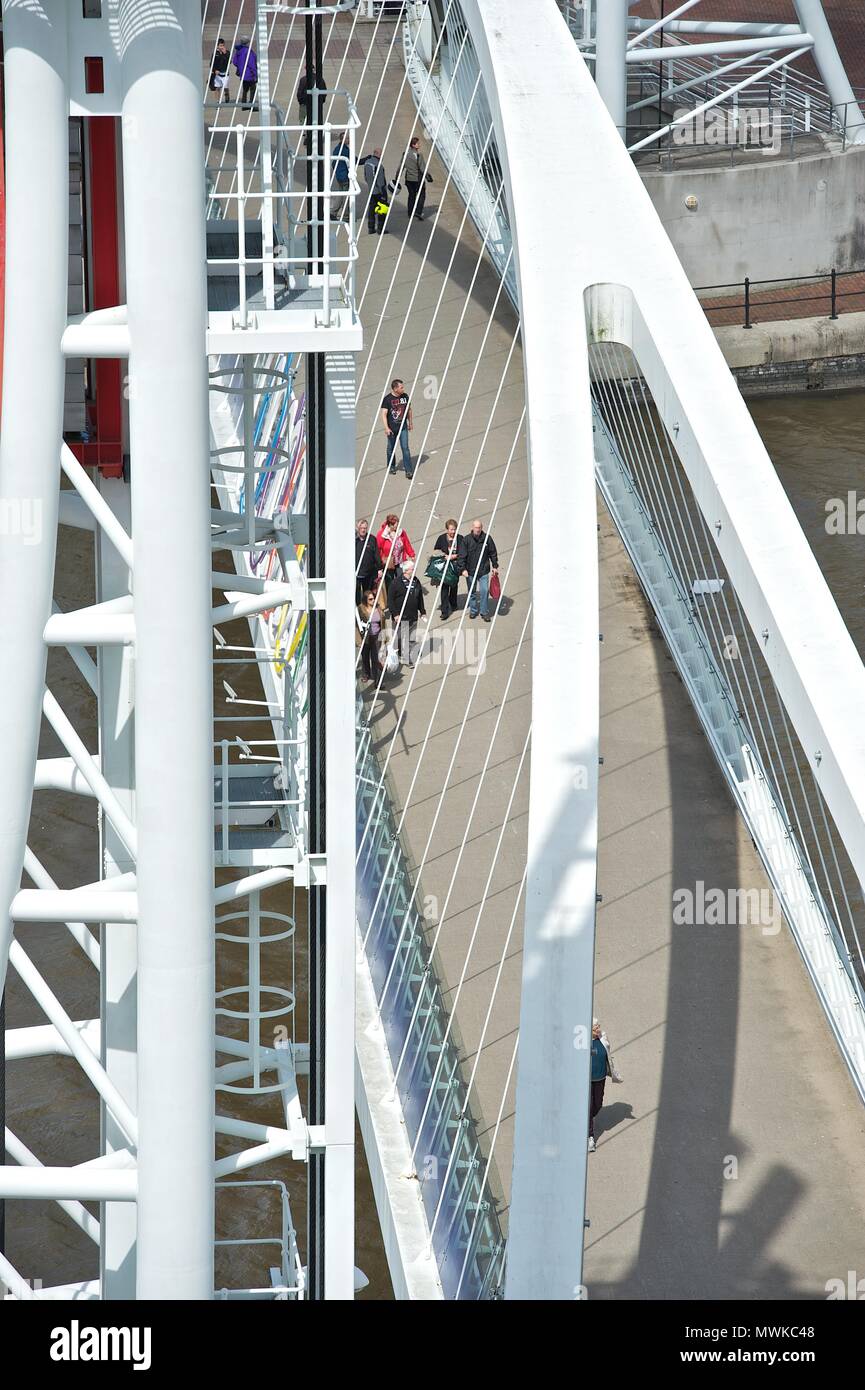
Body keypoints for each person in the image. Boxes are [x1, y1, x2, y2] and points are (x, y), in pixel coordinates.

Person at [588, 1018, 622, 1153]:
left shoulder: (603, 1037)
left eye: (598, 1027)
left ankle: (588, 1118)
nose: (598, 1029)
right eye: (595, 1028)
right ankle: (590, 1136)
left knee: (598, 1104)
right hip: (587, 1080)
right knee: (589, 1107)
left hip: (601, 1078)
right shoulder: (584, 1043)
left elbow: (608, 1051)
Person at [389, 561, 425, 667]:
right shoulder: (395, 583)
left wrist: (422, 611)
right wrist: (395, 614)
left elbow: (420, 597)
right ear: (406, 571)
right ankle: (401, 652)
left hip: (413, 615)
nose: (414, 571)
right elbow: (390, 601)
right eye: (412, 569)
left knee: (411, 638)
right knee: (401, 638)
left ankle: (408, 658)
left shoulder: (416, 581)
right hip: (401, 617)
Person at [462, 518, 499, 622]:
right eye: (476, 527)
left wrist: (495, 566)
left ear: (481, 528)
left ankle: (484, 612)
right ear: (472, 528)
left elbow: (493, 553)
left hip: (483, 570)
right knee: (472, 592)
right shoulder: (466, 540)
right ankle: (473, 611)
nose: (477, 529)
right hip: (470, 571)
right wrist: (463, 569)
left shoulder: (487, 539)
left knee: (484, 591)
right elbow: (462, 556)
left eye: (479, 527)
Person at [377, 513, 415, 606]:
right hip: (388, 563)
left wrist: (412, 554)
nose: (397, 526)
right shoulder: (382, 535)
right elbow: (377, 549)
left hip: (400, 561)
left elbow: (406, 543)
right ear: (390, 525)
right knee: (390, 583)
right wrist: (378, 565)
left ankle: (401, 600)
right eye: (396, 524)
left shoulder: (401, 532)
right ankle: (391, 602)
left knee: (401, 580)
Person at [381, 377, 413, 478]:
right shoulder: (387, 399)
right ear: (395, 389)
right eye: (401, 388)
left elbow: (409, 410)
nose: (403, 389)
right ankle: (391, 467)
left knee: (405, 448)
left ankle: (408, 470)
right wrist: (386, 428)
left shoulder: (405, 397)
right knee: (390, 448)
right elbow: (384, 414)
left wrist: (410, 423)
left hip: (402, 427)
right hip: (391, 428)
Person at [434, 519, 465, 620]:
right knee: (444, 588)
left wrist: (453, 556)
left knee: (454, 585)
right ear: (447, 529)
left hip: (455, 565)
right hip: (444, 566)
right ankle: (444, 611)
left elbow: (464, 553)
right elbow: (436, 551)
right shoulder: (441, 538)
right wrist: (444, 556)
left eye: (454, 529)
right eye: (451, 530)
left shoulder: (460, 538)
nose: (453, 532)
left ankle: (453, 603)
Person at [356, 591, 383, 682]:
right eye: (370, 599)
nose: (373, 600)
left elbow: (383, 622)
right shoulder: (361, 609)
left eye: (374, 598)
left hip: (377, 636)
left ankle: (377, 680)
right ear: (366, 600)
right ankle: (366, 674)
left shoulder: (378, 608)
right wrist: (359, 640)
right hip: (366, 637)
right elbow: (357, 625)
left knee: (375, 658)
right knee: (365, 657)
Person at [404, 135, 432, 221]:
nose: (419, 144)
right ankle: (418, 212)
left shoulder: (406, 154)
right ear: (413, 145)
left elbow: (401, 166)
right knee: (421, 195)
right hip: (417, 179)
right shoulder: (419, 155)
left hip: (408, 179)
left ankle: (410, 212)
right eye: (417, 143)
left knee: (411, 195)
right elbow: (422, 168)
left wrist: (397, 177)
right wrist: (428, 177)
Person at [363, 149, 389, 235]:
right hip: (378, 191)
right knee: (382, 210)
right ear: (378, 154)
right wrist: (384, 194)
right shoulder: (379, 166)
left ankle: (371, 228)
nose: (382, 156)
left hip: (371, 190)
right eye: (382, 154)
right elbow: (381, 182)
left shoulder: (367, 162)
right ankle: (380, 229)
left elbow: (366, 177)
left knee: (371, 209)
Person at [355, 518, 380, 606]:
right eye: (361, 528)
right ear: (358, 528)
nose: (363, 530)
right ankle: (358, 611)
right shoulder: (354, 540)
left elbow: (376, 554)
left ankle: (367, 610)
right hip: (356, 574)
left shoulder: (372, 539)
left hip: (369, 573)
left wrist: (379, 569)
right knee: (356, 595)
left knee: (368, 594)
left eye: (365, 528)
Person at [233, 40, 258, 106]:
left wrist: (240, 66)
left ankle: (244, 104)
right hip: (250, 74)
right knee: (253, 89)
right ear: (247, 43)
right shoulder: (249, 51)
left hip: (243, 74)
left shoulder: (239, 51)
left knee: (245, 89)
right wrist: (255, 74)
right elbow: (251, 64)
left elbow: (235, 62)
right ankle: (251, 104)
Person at [209, 38, 231, 103]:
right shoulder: (215, 53)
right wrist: (214, 70)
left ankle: (227, 95)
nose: (222, 47)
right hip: (217, 74)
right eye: (221, 45)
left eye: (223, 45)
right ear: (217, 46)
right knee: (217, 88)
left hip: (225, 74)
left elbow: (230, 62)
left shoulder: (227, 52)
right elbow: (211, 63)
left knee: (225, 87)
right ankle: (217, 101)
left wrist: (225, 54)